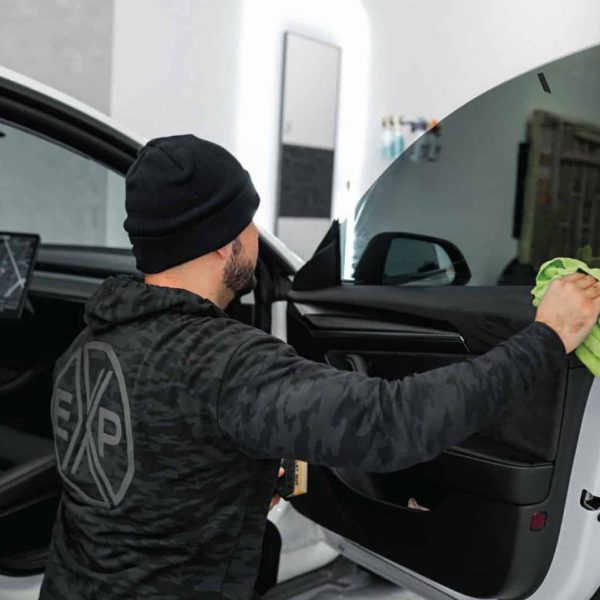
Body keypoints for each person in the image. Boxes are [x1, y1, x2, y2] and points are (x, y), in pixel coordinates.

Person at [39, 135, 600, 600]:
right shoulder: (225, 363)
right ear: (222, 242)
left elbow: (146, 462)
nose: (254, 237)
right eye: (249, 222)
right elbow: (394, 424)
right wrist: (547, 338)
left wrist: (239, 473)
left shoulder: (89, 345)